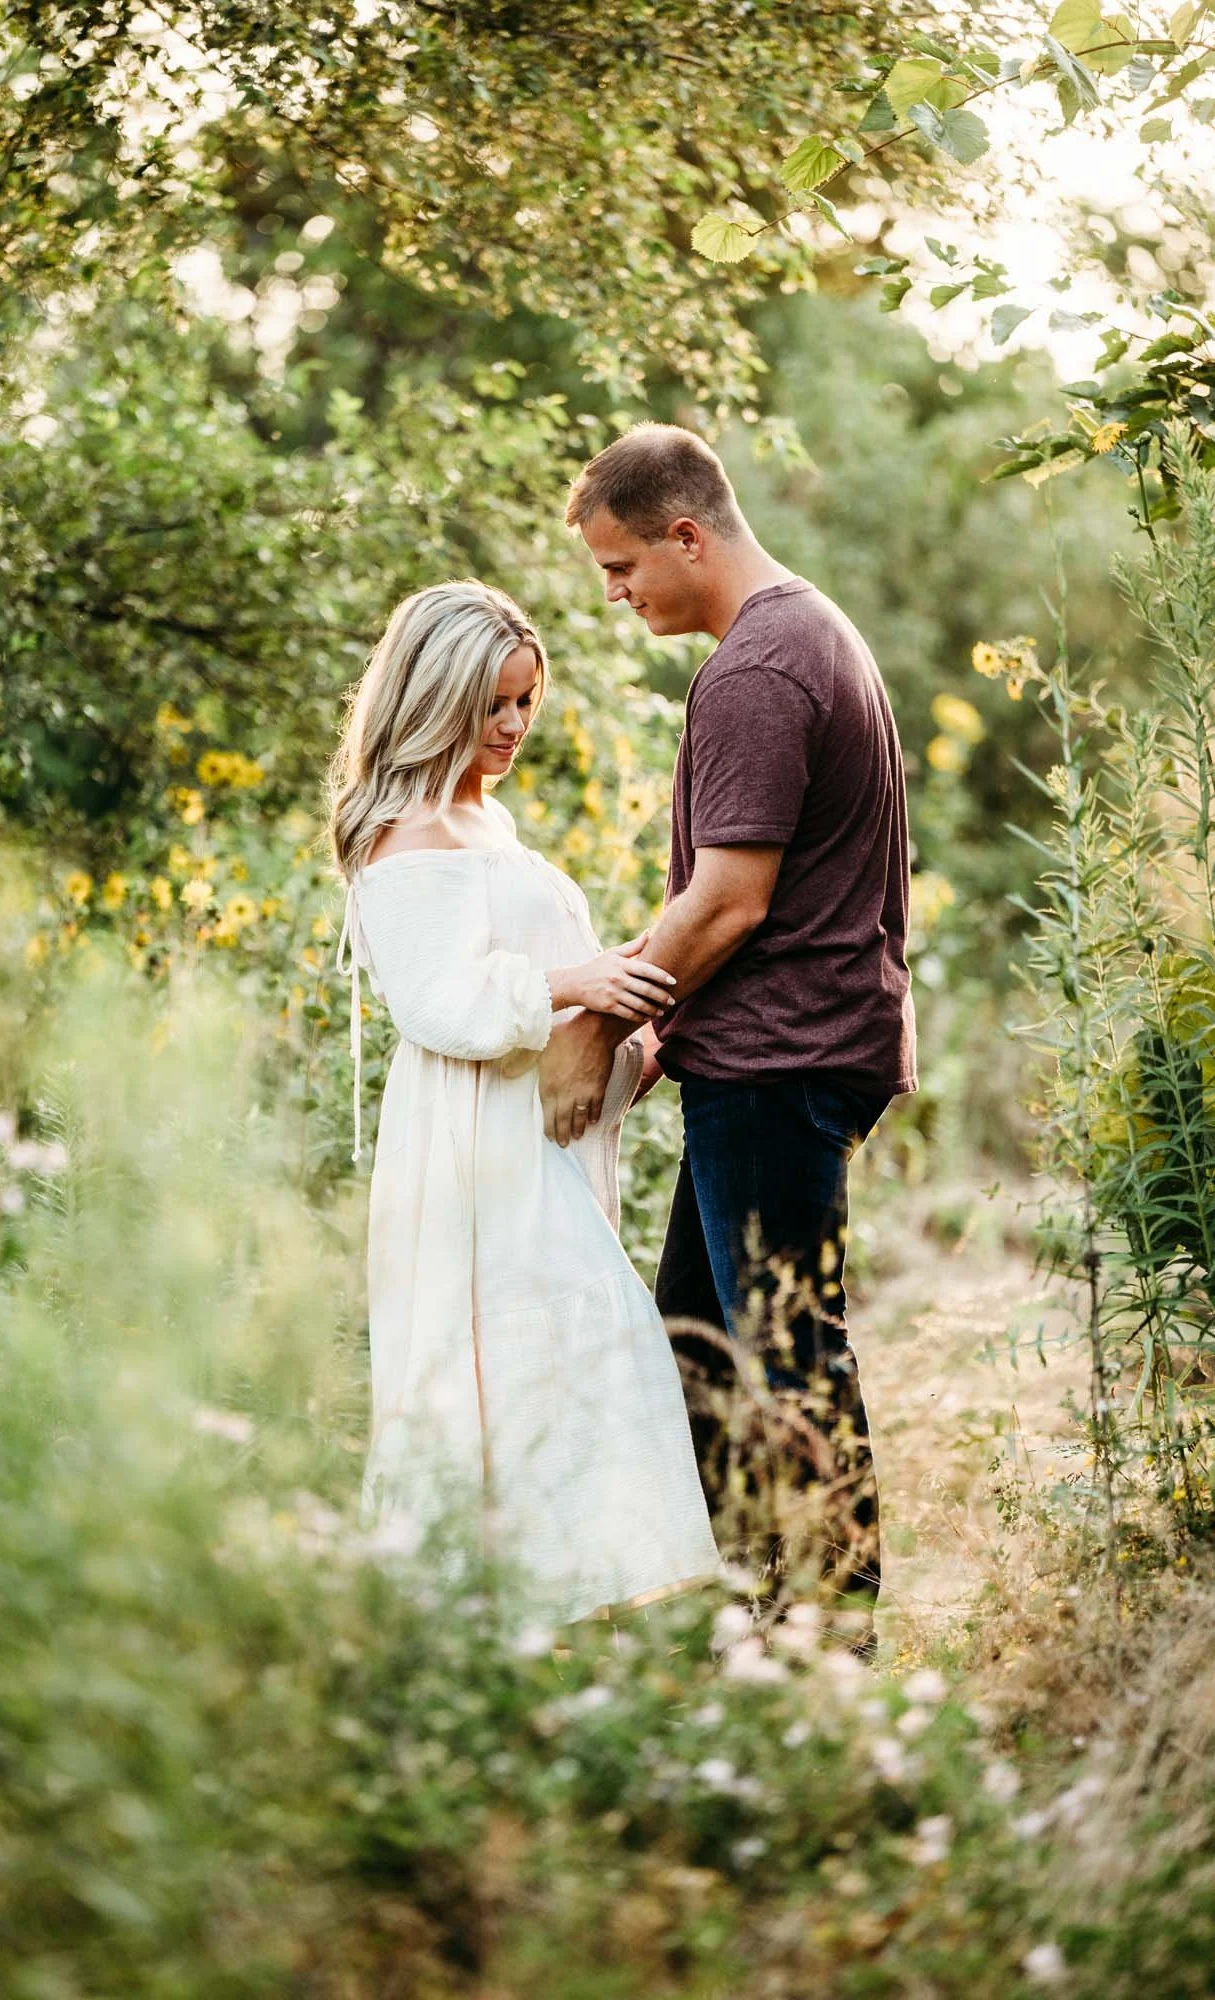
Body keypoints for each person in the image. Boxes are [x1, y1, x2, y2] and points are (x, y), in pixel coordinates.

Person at [545, 423, 916, 1632]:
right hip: (771, 1052)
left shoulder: (758, 667)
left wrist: (599, 1023)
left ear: (686, 534)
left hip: (779, 1061)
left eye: (620, 568)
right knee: (699, 1359)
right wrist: (663, 1038)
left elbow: (726, 900)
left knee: (783, 1358)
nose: (613, 595)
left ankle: (826, 1640)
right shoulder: (807, 636)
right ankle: (746, 1623)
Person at [329, 579, 720, 1625]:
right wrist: (577, 984)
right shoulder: (402, 834)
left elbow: (546, 968)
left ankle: (572, 1617)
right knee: (514, 1356)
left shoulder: (485, 822)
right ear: (434, 694)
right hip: (466, 1142)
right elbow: (436, 1003)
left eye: (524, 705)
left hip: (529, 1137)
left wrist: (633, 982)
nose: (510, 728)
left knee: (575, 1351)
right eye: (493, 704)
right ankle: (490, 1622)